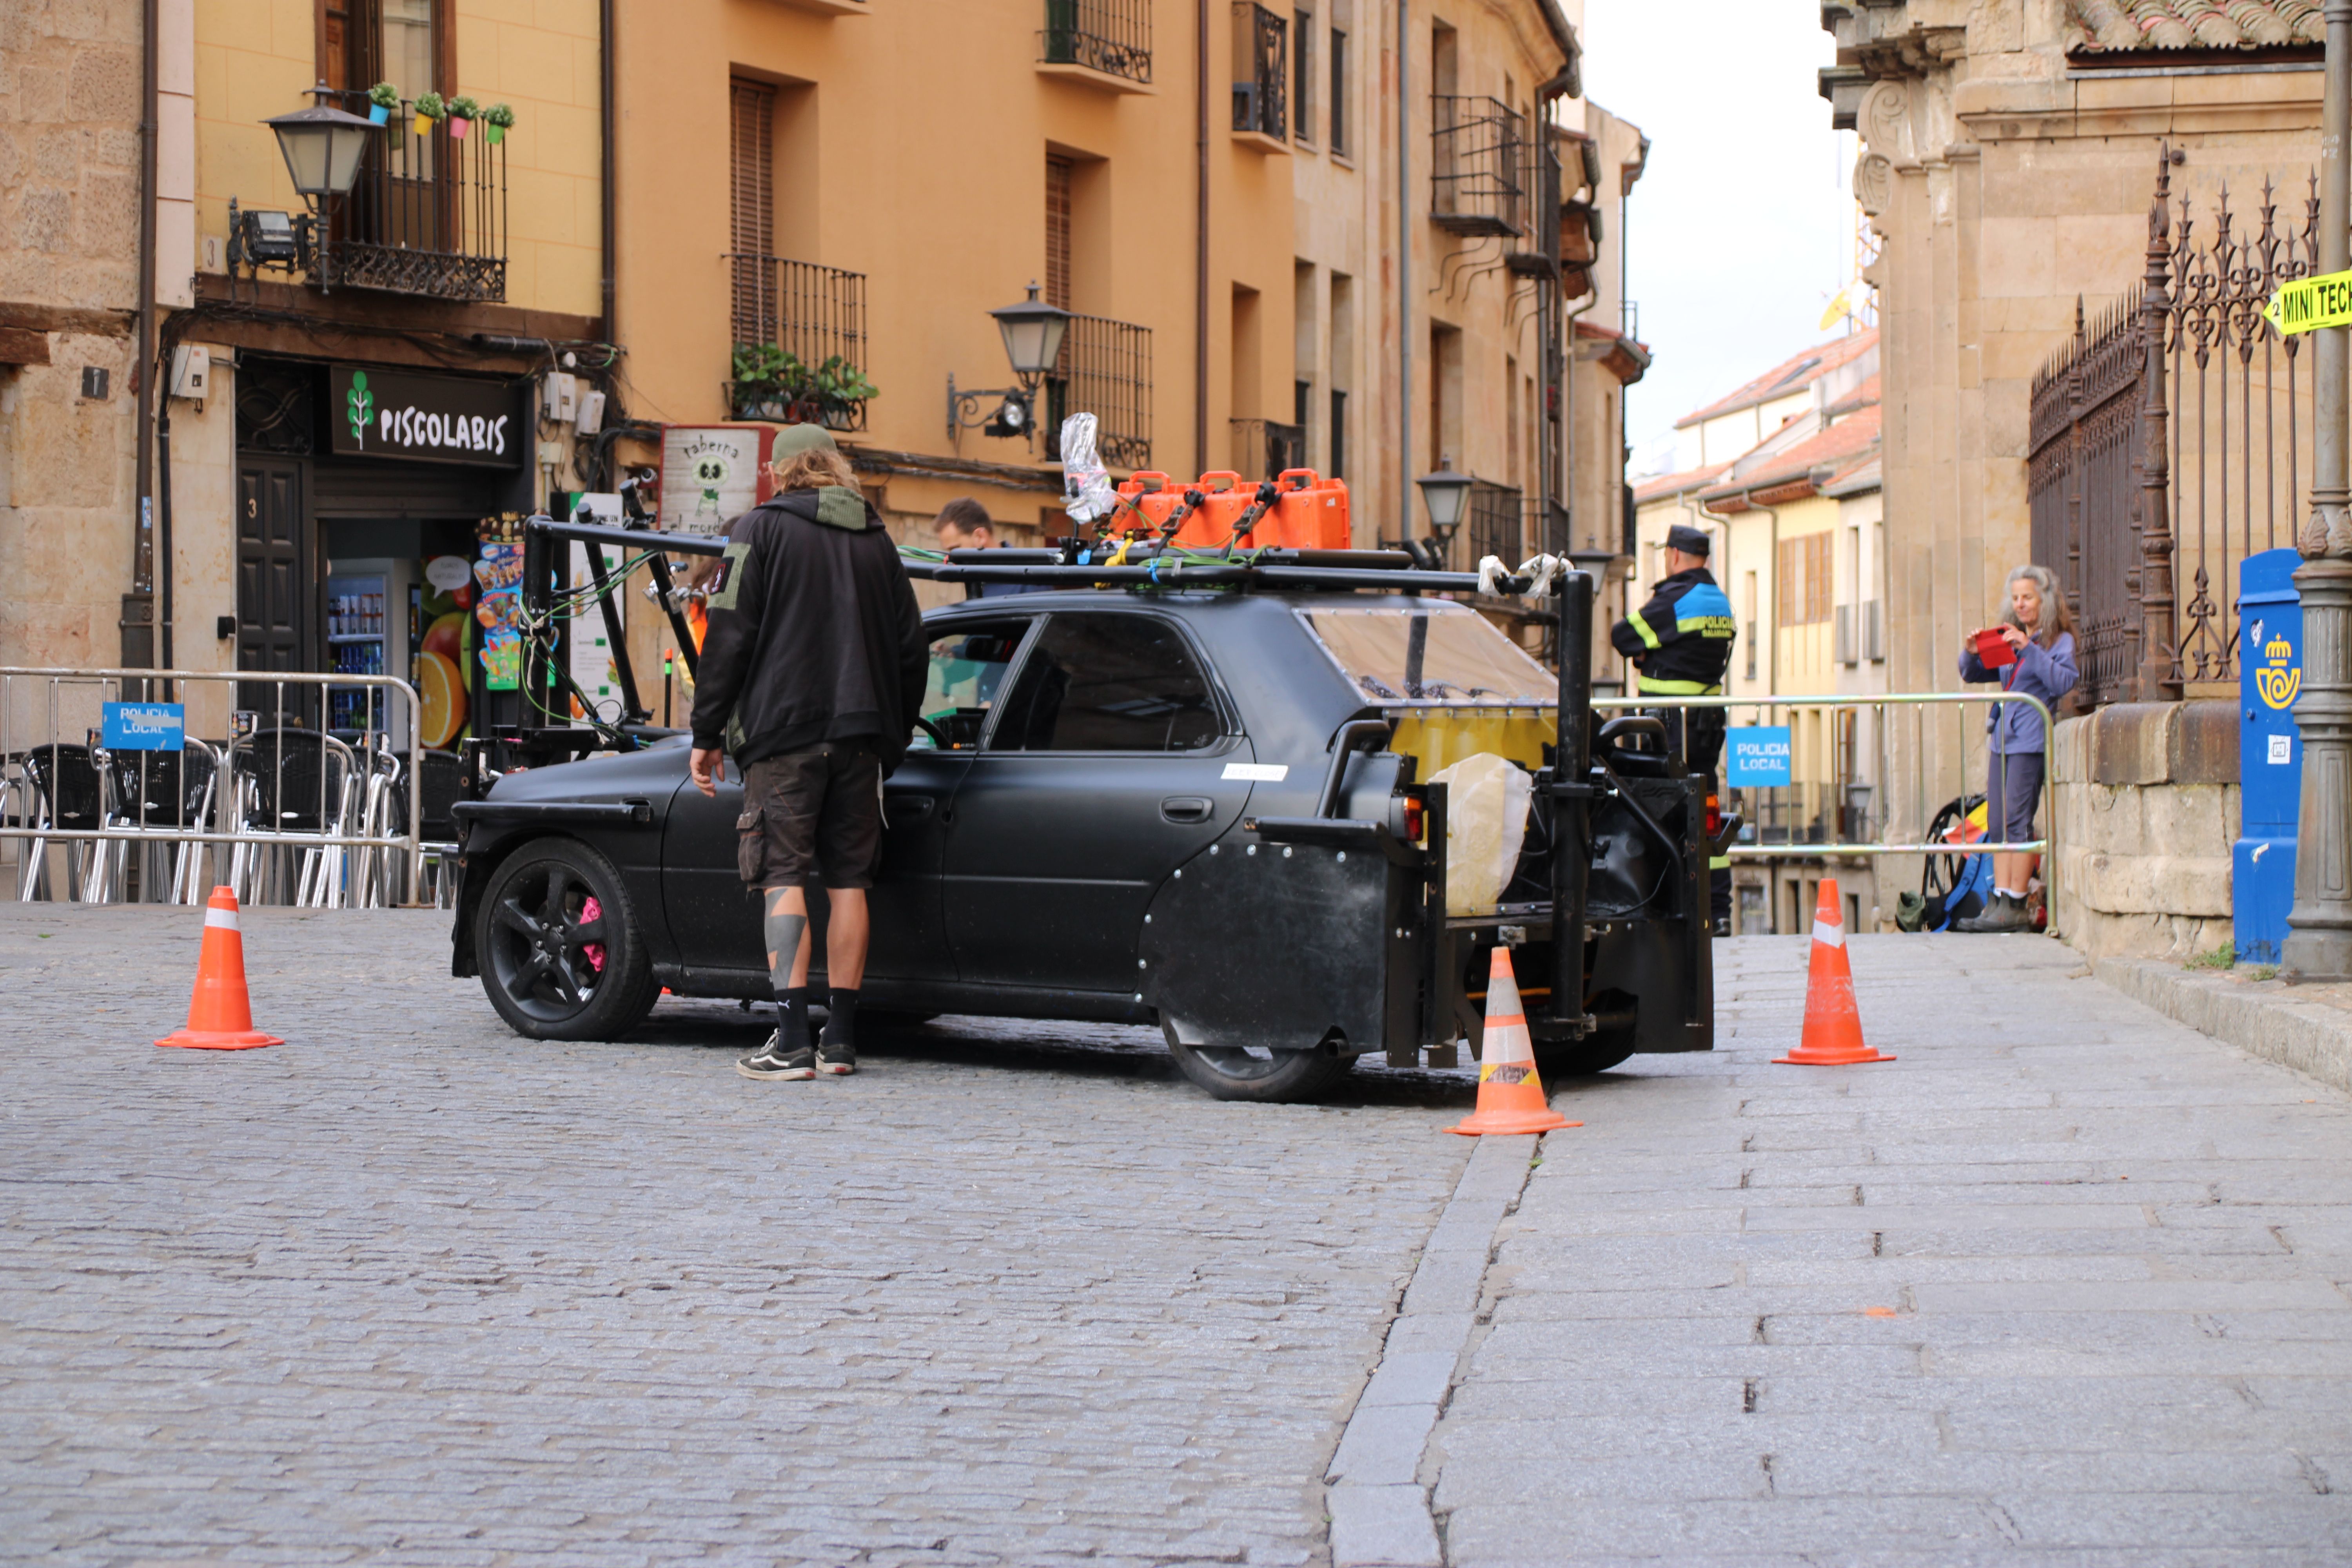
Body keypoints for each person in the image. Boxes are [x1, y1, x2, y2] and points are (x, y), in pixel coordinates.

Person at [690, 425, 928, 1080]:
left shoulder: (758, 531)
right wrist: (894, 734)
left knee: (783, 876)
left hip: (783, 734)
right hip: (862, 739)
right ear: (834, 467)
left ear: (778, 471)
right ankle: (843, 1039)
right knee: (852, 882)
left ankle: (792, 1037)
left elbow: (729, 634)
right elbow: (912, 648)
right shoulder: (877, 539)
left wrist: (706, 733)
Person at [1610, 522, 1737, 933]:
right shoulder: (1719, 601)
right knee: (1706, 809)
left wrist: (1649, 652)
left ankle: (1662, 902)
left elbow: (1623, 635)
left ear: (1675, 555)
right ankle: (1717, 909)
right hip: (1707, 724)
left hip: (1670, 726)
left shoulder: (1676, 600)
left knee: (1658, 808)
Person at [1953, 562, 2078, 934]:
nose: (2021, 604)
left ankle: (2017, 904)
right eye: (2016, 598)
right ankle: (1998, 899)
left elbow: (2063, 681)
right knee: (1996, 823)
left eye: (2028, 598)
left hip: (2030, 739)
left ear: (2046, 601)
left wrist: (2030, 650)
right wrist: (1972, 652)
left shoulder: (2060, 642)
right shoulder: (2012, 636)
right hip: (2002, 739)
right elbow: (1975, 673)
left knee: (2017, 822)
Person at [932, 496, 1040, 597]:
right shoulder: (979, 580)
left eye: (955, 550)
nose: (951, 559)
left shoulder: (1029, 580)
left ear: (980, 537)